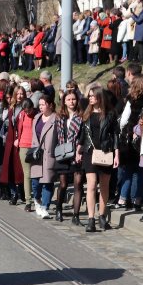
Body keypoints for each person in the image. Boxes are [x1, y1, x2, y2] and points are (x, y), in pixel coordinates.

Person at [76, 89, 119, 233]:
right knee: (92, 185)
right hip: (90, 152)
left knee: (104, 186)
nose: (90, 98)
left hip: (106, 153)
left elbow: (115, 135)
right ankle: (90, 219)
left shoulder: (110, 114)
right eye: (89, 96)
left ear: (100, 97)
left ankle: (102, 215)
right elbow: (82, 134)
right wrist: (78, 150)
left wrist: (116, 155)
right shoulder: (86, 114)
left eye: (93, 96)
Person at [116, 75, 143, 211]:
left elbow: (123, 121)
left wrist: (122, 131)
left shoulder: (131, 100)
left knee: (128, 170)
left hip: (130, 139)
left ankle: (123, 199)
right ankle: (137, 200)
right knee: (140, 171)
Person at [54, 89, 85, 224]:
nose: (71, 102)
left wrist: (80, 149)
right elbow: (57, 136)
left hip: (76, 154)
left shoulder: (81, 116)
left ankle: (76, 215)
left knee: (78, 184)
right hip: (62, 152)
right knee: (63, 184)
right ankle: (59, 208)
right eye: (68, 99)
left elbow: (83, 135)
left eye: (73, 99)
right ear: (64, 101)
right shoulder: (60, 116)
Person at [29, 94, 57, 219]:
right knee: (35, 182)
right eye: (39, 105)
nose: (40, 107)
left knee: (47, 182)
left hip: (49, 154)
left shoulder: (56, 118)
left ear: (50, 105)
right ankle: (37, 200)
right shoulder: (36, 118)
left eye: (43, 104)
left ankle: (45, 206)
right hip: (36, 154)